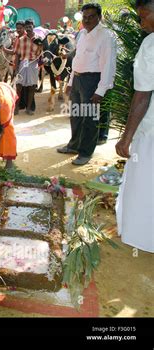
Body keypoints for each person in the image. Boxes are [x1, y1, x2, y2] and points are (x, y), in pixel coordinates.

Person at [115, 0, 154, 253]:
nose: (141, 24)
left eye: (144, 16)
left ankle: (142, 236)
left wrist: (126, 139)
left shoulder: (151, 45)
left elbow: (142, 95)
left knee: (144, 183)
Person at [57, 3, 117, 165]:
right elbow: (77, 59)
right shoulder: (82, 34)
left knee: (90, 118)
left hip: (93, 81)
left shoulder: (106, 36)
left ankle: (85, 152)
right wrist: (70, 81)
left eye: (91, 17)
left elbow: (108, 65)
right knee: (76, 115)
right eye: (85, 17)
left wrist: (101, 90)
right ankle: (74, 145)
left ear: (99, 17)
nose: (87, 20)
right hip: (77, 79)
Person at [11, 19, 43, 116]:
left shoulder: (39, 39)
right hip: (23, 63)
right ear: (25, 28)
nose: (28, 29)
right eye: (27, 27)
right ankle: (16, 108)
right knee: (19, 87)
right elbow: (17, 55)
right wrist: (15, 69)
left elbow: (41, 54)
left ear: (33, 26)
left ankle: (29, 108)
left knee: (32, 87)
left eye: (30, 26)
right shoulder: (20, 40)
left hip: (33, 64)